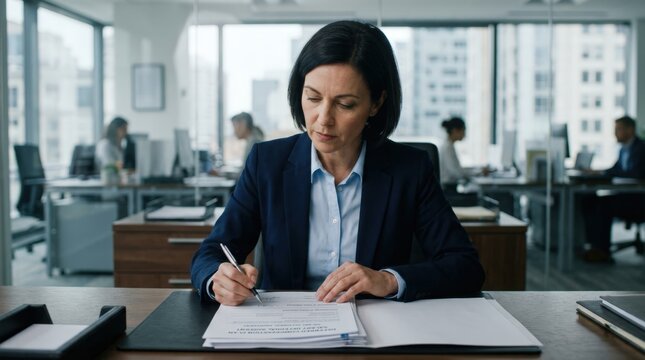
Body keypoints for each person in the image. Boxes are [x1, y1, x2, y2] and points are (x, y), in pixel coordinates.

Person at [191, 20, 484, 306]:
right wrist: (218, 280)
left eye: (345, 104)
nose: (323, 119)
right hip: (284, 331)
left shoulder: (410, 169)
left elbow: (465, 266)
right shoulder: (267, 162)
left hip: (376, 334)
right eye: (313, 97)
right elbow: (212, 254)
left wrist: (388, 280)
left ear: (376, 103)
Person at [582, 115, 645, 262]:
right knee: (589, 200)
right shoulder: (624, 149)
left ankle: (602, 251)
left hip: (639, 199)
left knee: (604, 205)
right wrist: (599, 172)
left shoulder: (641, 148)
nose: (615, 133)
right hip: (626, 195)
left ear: (630, 130)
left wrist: (607, 173)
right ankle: (593, 246)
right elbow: (615, 169)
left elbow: (636, 173)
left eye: (619, 129)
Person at [438, 117, 489, 185]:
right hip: (449, 188)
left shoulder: (449, 145)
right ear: (455, 130)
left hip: (450, 186)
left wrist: (478, 169)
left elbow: (458, 169)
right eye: (463, 130)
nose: (464, 134)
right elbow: (456, 172)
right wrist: (478, 172)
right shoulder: (447, 147)